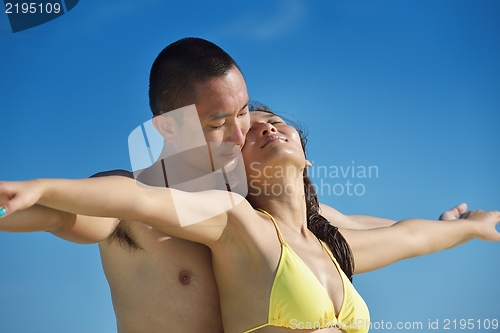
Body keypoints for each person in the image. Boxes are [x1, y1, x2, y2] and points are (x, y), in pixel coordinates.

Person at [0, 38, 466, 332]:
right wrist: (32, 192)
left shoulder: (251, 205)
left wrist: (449, 227)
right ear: (168, 128)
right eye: (219, 122)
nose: (242, 132)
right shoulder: (128, 206)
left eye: (243, 111)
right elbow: (57, 213)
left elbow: (351, 225)